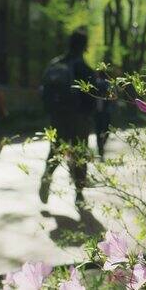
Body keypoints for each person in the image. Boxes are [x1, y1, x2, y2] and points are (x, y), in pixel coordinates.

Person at [39, 29, 96, 205]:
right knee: (79, 153)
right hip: (78, 118)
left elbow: (44, 90)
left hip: (57, 117)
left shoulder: (55, 64)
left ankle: (47, 176)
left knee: (55, 149)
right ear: (84, 46)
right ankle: (79, 194)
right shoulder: (83, 68)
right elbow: (92, 95)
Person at [94, 71, 111, 161]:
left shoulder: (106, 83)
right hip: (98, 113)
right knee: (100, 131)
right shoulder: (96, 83)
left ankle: (101, 147)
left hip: (104, 112)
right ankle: (100, 150)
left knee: (104, 131)